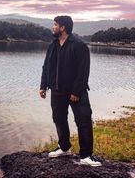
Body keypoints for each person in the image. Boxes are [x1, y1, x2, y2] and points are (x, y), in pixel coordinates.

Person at [39, 15, 101, 167]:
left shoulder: (79, 45)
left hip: (75, 93)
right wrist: (43, 86)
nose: (52, 27)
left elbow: (83, 71)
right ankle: (64, 147)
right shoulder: (53, 45)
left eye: (55, 25)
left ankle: (86, 155)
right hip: (57, 90)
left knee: (84, 121)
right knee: (59, 119)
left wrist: (76, 92)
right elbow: (46, 67)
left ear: (63, 28)